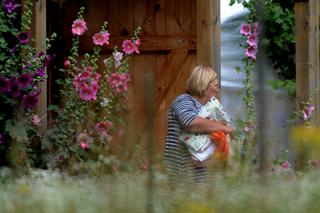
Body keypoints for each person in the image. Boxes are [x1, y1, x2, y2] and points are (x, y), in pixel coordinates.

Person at [164, 65, 234, 183]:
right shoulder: (184, 100)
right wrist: (224, 128)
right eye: (216, 86)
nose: (218, 90)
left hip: (202, 181)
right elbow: (191, 122)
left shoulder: (208, 108)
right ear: (204, 84)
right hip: (182, 177)